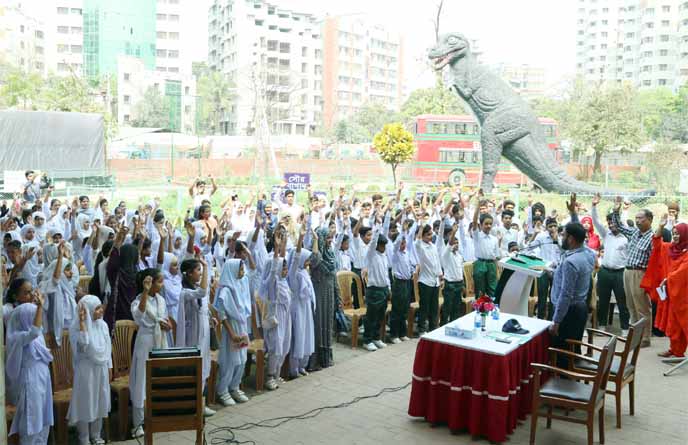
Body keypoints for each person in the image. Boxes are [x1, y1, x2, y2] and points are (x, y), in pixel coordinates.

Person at [549, 198, 596, 369]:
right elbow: (580, 233)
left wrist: (556, 321)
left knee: (561, 354)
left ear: (571, 239)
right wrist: (573, 214)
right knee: (573, 349)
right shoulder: (589, 254)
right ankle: (572, 380)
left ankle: (563, 386)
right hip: (580, 310)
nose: (562, 237)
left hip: (567, 313)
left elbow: (565, 294)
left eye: (564, 235)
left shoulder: (570, 262)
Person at [129, 269, 171, 438]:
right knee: (141, 383)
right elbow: (139, 316)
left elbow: (164, 319)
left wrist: (167, 326)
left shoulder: (161, 300)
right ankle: (138, 423)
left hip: (159, 342)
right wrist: (145, 291)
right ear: (150, 283)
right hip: (145, 342)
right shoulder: (138, 300)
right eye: (159, 282)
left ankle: (156, 415)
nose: (162, 285)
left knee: (157, 379)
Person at [6, 297, 54, 445]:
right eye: (33, 317)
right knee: (32, 418)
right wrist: (40, 307)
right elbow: (33, 332)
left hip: (43, 378)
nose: (37, 320)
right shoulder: (19, 336)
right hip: (31, 380)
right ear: (25, 318)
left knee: (43, 418)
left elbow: (36, 332)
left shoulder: (37, 335)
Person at [67, 295, 111, 445]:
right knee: (85, 402)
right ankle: (84, 437)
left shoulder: (103, 325)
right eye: (97, 308)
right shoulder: (75, 328)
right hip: (86, 370)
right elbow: (84, 344)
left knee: (100, 400)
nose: (101, 311)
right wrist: (82, 323)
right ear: (88, 310)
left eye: (100, 307)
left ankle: (96, 435)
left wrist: (109, 366)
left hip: (101, 368)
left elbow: (107, 347)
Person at [641, 218, 688, 358]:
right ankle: (674, 349)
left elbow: (683, 271)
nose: (675, 236)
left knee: (680, 322)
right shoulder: (670, 249)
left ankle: (679, 351)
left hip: (681, 294)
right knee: (671, 321)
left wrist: (669, 279)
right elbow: (656, 243)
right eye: (674, 233)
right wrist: (660, 227)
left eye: (678, 233)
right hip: (669, 292)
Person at [611, 196, 654, 347]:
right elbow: (619, 227)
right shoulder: (635, 233)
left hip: (640, 273)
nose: (637, 221)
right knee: (630, 305)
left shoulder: (653, 238)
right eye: (636, 218)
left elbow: (655, 262)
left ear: (649, 220)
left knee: (642, 307)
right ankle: (635, 336)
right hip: (627, 272)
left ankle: (645, 338)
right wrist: (616, 210)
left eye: (640, 218)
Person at [179, 255, 216, 417]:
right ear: (188, 273)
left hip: (204, 333)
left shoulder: (195, 287)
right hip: (193, 335)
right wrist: (207, 267)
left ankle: (200, 403)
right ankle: (192, 404)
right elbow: (202, 292)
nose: (200, 273)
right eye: (198, 270)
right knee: (195, 368)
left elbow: (203, 305)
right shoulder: (185, 292)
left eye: (201, 270)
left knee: (204, 366)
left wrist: (210, 317)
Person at [214, 259, 252, 406]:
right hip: (232, 330)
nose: (243, 272)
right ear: (232, 271)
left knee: (242, 359)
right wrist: (232, 334)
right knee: (230, 361)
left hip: (241, 328)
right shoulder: (225, 291)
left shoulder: (239, 285)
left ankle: (234, 387)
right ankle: (223, 390)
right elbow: (222, 316)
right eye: (240, 270)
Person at [591, 194, 630, 334]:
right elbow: (595, 221)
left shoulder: (626, 236)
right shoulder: (606, 234)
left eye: (614, 222)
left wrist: (622, 209)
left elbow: (624, 220)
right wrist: (594, 206)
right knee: (603, 301)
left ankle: (625, 329)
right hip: (605, 272)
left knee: (622, 301)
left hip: (620, 273)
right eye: (610, 222)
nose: (612, 224)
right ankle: (601, 327)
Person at [262, 230, 292, 390]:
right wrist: (276, 249)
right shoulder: (272, 282)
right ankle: (269, 377)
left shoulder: (284, 282)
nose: (285, 271)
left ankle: (277, 374)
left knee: (285, 344)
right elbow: (273, 270)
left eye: (286, 268)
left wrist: (283, 247)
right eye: (284, 268)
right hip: (275, 317)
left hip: (285, 317)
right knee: (276, 346)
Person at [308, 226, 339, 371]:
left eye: (330, 238)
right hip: (319, 293)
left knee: (327, 324)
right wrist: (315, 240)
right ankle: (315, 361)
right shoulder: (316, 254)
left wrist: (337, 295)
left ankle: (326, 359)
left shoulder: (330, 253)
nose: (330, 241)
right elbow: (315, 260)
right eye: (327, 238)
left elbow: (334, 275)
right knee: (318, 324)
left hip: (329, 293)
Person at [288, 227, 316, 377]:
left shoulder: (305, 271)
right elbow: (296, 257)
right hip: (297, 307)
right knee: (298, 336)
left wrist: (314, 240)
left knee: (307, 335)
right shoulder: (294, 272)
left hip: (306, 307)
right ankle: (294, 369)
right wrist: (299, 239)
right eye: (306, 258)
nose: (308, 261)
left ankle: (302, 365)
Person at [40, 241, 79, 347]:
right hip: (55, 329)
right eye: (67, 270)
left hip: (70, 326)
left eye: (71, 270)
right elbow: (55, 279)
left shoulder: (68, 286)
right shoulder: (49, 286)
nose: (71, 273)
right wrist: (60, 256)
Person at [104, 226, 140, 332]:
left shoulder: (116, 273)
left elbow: (113, 255)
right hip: (134, 316)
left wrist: (119, 238)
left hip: (116, 314)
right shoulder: (139, 276)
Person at [362, 221, 390, 351]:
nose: (384, 248)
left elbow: (386, 274)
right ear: (377, 246)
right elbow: (372, 243)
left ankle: (376, 338)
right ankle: (367, 340)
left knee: (380, 316)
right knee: (371, 317)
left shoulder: (384, 256)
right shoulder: (371, 255)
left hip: (383, 289)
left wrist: (388, 288)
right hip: (374, 290)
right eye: (382, 245)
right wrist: (377, 228)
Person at [415, 223, 442, 334]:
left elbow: (437, 261)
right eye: (428, 234)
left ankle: (433, 328)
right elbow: (417, 241)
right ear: (423, 235)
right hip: (425, 281)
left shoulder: (433, 246)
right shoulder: (420, 246)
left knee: (434, 307)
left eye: (431, 234)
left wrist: (441, 275)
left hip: (435, 281)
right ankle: (421, 329)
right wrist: (421, 227)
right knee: (424, 307)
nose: (431, 236)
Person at [471, 198, 500, 298]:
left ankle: (493, 311)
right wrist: (477, 207)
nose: (488, 226)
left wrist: (497, 271)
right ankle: (479, 311)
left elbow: (496, 257)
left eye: (490, 224)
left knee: (493, 290)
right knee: (480, 291)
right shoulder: (477, 235)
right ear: (481, 224)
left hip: (491, 265)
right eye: (486, 224)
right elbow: (474, 222)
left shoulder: (494, 239)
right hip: (480, 264)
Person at [439, 222, 466, 325]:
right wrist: (454, 232)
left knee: (456, 307)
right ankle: (443, 326)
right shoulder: (446, 254)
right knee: (447, 307)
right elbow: (449, 244)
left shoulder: (459, 256)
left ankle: (453, 325)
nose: (456, 244)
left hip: (459, 284)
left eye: (457, 242)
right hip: (450, 284)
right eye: (454, 242)